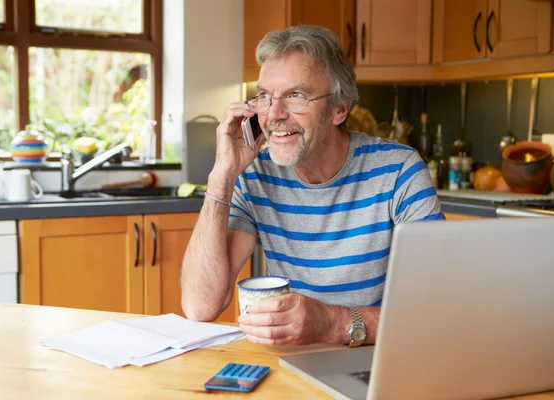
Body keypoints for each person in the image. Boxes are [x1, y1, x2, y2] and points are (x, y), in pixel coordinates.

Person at [181, 25, 445, 347]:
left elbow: (436, 309)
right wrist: (221, 176)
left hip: (373, 360)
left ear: (339, 109)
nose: (274, 115)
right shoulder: (255, 177)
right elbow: (200, 305)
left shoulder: (399, 171)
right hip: (291, 362)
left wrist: (330, 323)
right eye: (265, 96)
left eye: (296, 96)